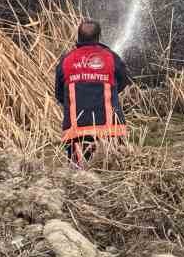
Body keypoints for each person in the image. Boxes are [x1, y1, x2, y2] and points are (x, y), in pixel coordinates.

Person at [54, 19, 129, 165]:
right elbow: (123, 82)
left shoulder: (66, 60)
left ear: (78, 37)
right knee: (115, 176)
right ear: (99, 37)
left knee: (79, 178)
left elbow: (59, 94)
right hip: (111, 131)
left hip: (76, 133)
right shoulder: (111, 57)